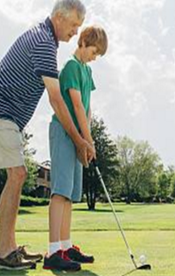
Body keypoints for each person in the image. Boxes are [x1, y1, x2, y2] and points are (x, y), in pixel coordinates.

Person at [0, 0, 96, 271]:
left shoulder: (45, 39)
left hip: (6, 116)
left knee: (17, 175)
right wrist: (79, 140)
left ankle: (9, 248)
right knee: (17, 175)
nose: (76, 31)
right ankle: (3, 252)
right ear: (59, 17)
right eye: (75, 24)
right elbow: (56, 99)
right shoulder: (44, 42)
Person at [44, 26, 108, 271]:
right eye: (94, 51)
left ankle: (66, 246)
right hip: (63, 131)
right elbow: (77, 106)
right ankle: (53, 252)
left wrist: (87, 138)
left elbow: (89, 109)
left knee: (70, 194)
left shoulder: (87, 70)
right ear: (83, 42)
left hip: (79, 136)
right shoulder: (71, 66)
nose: (95, 57)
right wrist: (88, 140)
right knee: (60, 191)